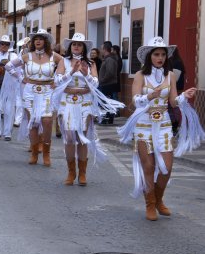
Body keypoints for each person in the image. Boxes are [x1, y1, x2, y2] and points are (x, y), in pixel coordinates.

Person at [118, 37, 205, 221]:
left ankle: (159, 199)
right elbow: (134, 100)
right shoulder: (141, 75)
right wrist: (149, 96)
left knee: (166, 167)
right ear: (149, 56)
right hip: (143, 125)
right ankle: (150, 204)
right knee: (148, 166)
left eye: (163, 54)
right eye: (156, 54)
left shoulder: (170, 75)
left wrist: (184, 97)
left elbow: (173, 101)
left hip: (164, 124)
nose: (160, 58)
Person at [53, 33, 124, 185]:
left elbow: (96, 84)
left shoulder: (91, 63)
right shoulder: (64, 62)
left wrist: (86, 75)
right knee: (70, 138)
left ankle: (82, 173)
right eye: (74, 44)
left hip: (85, 103)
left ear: (84, 47)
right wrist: (71, 73)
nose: (76, 47)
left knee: (82, 138)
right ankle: (71, 172)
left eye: (79, 44)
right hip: (67, 103)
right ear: (70, 46)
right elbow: (57, 81)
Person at [12, 29, 64, 166]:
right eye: (36, 39)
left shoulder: (54, 56)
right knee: (33, 123)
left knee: (47, 121)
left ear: (46, 41)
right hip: (30, 91)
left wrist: (57, 80)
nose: (38, 41)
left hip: (48, 91)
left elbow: (65, 65)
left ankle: (46, 153)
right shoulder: (27, 56)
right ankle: (34, 153)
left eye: (41, 39)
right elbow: (8, 66)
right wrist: (20, 77)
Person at [99, 41, 118, 124]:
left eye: (102, 48)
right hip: (106, 84)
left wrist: (103, 80)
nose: (101, 50)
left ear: (105, 49)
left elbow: (110, 72)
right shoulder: (107, 59)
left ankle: (108, 118)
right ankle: (107, 117)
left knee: (107, 102)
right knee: (107, 102)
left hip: (108, 84)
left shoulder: (109, 59)